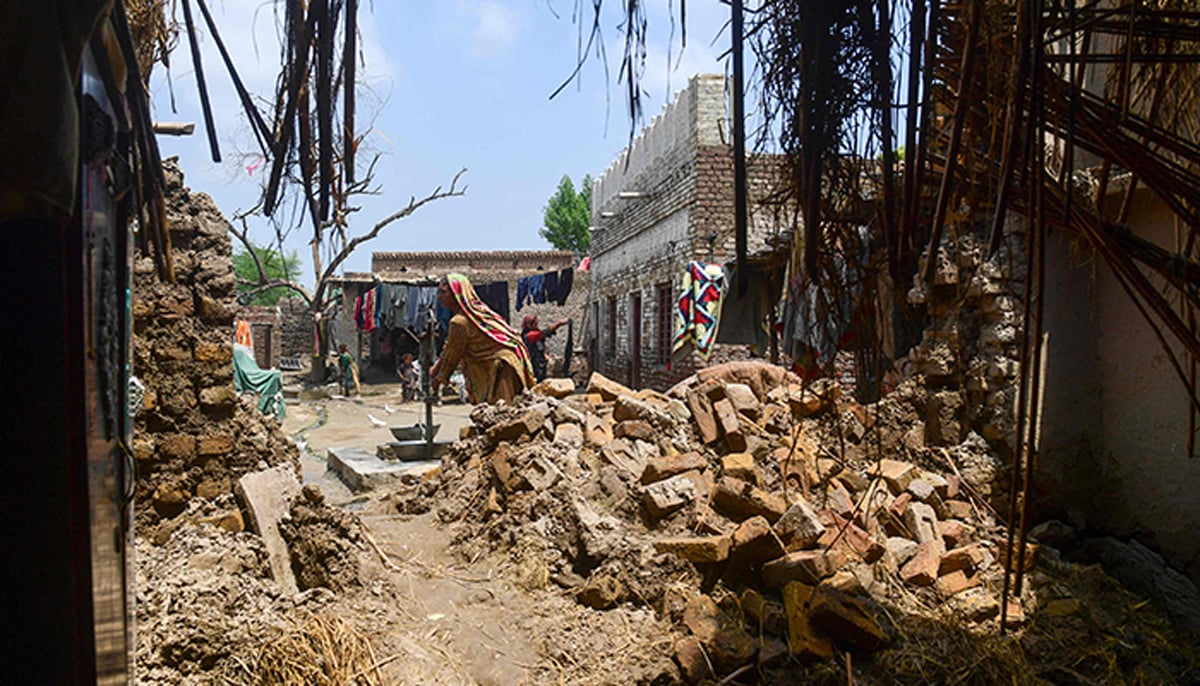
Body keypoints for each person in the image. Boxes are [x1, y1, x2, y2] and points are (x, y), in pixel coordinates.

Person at [431, 273, 535, 404]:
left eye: (443, 292)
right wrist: (436, 369)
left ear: (456, 294)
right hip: (511, 362)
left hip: (501, 368)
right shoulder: (478, 312)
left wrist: (439, 379)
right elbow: (450, 347)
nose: (439, 297)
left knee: (502, 414)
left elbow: (453, 355)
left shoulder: (459, 322)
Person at [520, 314, 569, 382]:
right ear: (529, 325)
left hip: (540, 364)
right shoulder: (529, 336)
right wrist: (559, 323)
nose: (537, 325)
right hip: (534, 365)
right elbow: (544, 333)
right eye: (535, 323)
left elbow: (541, 344)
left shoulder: (535, 333)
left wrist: (545, 353)